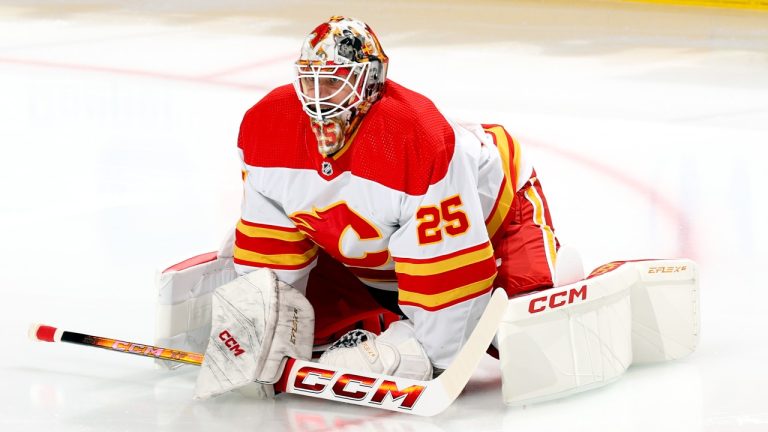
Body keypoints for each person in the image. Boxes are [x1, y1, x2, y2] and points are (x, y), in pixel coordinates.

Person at [190, 16, 560, 398]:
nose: (318, 96)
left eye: (333, 81)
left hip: (493, 226)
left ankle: (552, 278)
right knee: (292, 308)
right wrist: (259, 322)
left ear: (369, 80)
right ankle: (385, 312)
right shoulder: (267, 124)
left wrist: (424, 356)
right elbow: (272, 242)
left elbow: (449, 273)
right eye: (310, 80)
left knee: (521, 338)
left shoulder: (417, 138)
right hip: (378, 251)